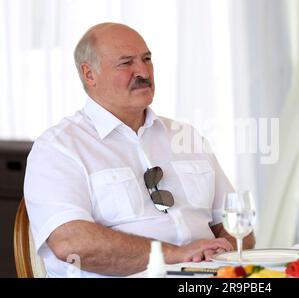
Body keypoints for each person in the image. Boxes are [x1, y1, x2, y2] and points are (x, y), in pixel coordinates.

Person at [24, 22, 255, 277]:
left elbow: (235, 225)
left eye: (147, 59)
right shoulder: (58, 148)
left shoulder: (185, 136)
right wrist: (175, 255)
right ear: (89, 74)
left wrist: (224, 254)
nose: (143, 71)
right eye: (126, 63)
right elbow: (71, 243)